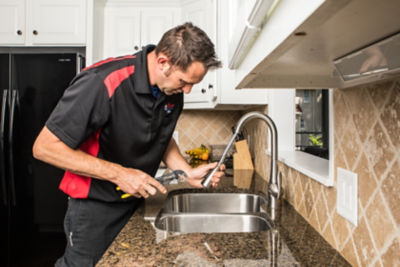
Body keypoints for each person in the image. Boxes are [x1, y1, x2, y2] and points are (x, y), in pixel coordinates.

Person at [32, 22, 225, 266]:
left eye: (193, 84)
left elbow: (160, 135)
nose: (187, 90)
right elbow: (44, 147)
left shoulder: (171, 91)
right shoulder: (102, 82)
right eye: (184, 81)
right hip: (93, 209)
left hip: (134, 203)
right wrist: (119, 174)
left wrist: (186, 172)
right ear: (163, 62)